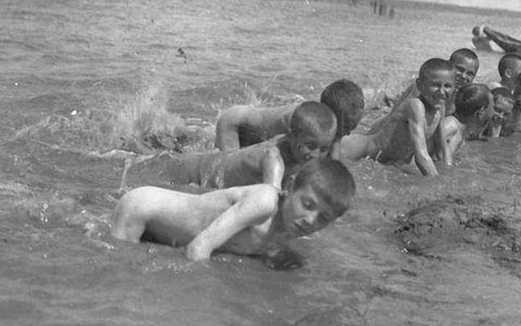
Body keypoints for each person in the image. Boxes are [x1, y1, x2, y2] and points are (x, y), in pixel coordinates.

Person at [112, 158, 355, 265]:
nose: (310, 220)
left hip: (161, 230)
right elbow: (199, 247)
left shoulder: (290, 226)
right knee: (119, 270)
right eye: (308, 204)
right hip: (140, 208)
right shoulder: (265, 202)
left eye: (323, 218)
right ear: (290, 187)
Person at [122, 101, 337, 192]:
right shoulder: (274, 159)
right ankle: (130, 142)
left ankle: (138, 142)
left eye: (324, 148)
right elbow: (269, 202)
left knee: (163, 157)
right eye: (310, 146)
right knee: (154, 162)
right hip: (199, 172)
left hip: (214, 164)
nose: (316, 155)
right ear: (290, 136)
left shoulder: (296, 151)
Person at [335, 57, 454, 175]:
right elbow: (421, 155)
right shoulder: (415, 105)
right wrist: (438, 182)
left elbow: (442, 149)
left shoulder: (440, 107)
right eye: (435, 85)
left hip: (393, 162)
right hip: (364, 152)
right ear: (420, 85)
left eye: (447, 86)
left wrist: (449, 171)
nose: (442, 91)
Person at [214, 80, 363, 152]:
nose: (349, 133)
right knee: (228, 173)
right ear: (330, 114)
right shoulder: (300, 120)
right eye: (347, 127)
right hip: (233, 124)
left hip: (253, 133)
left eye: (353, 127)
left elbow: (334, 161)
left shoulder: (334, 124)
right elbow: (270, 152)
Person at [438, 83, 493, 160]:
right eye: (492, 107)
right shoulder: (451, 126)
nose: (493, 112)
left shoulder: (461, 133)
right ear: (481, 112)